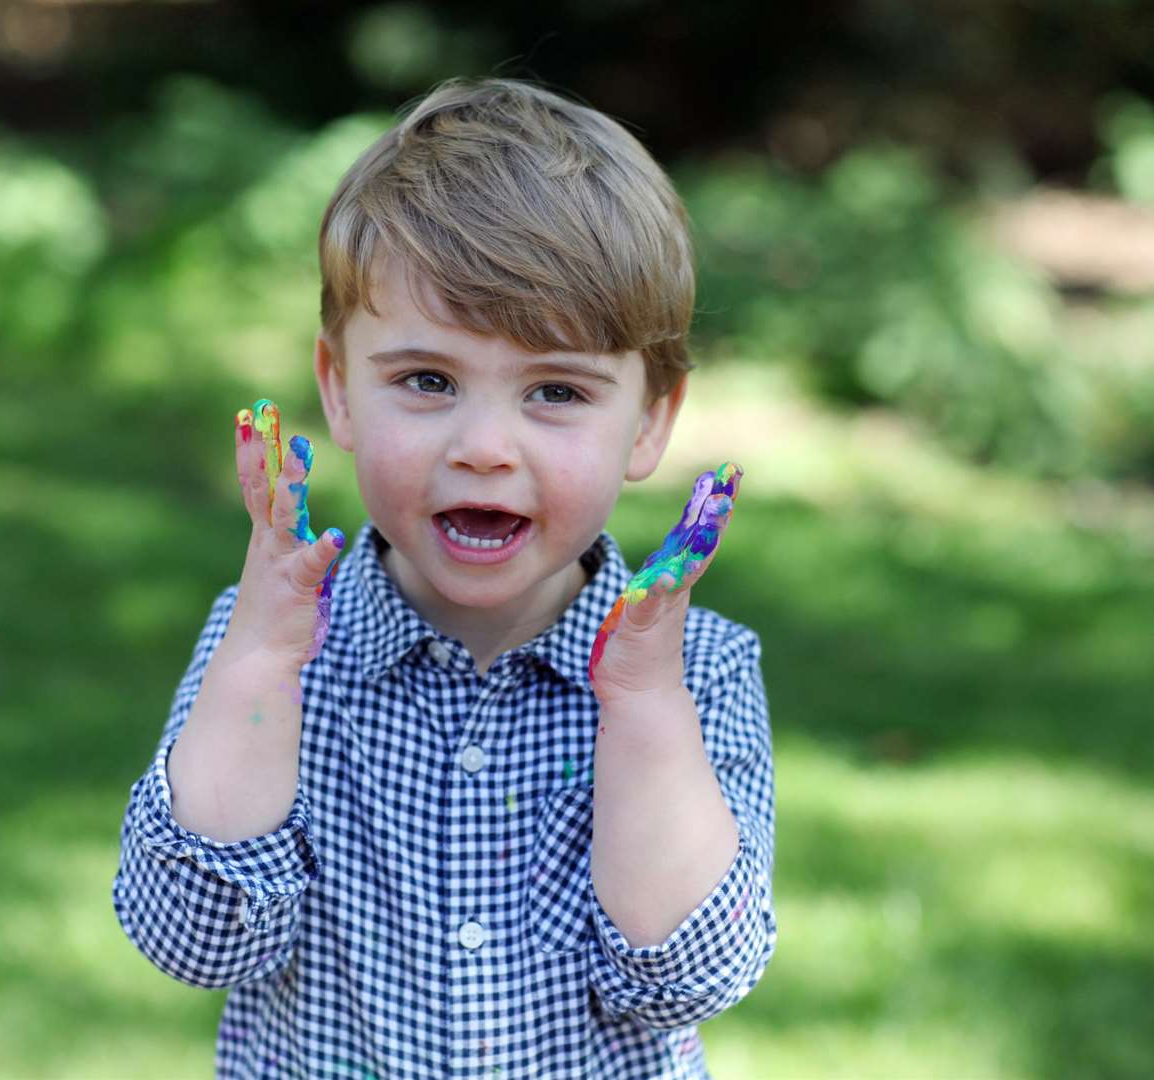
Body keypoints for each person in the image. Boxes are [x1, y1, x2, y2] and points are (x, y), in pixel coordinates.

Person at [112, 76, 776, 1078]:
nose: (483, 447)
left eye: (556, 391)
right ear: (338, 391)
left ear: (649, 421)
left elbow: (688, 977)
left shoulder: (704, 674)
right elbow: (194, 943)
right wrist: (254, 667)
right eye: (427, 381)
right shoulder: (276, 644)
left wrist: (641, 707)